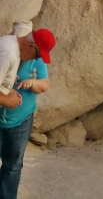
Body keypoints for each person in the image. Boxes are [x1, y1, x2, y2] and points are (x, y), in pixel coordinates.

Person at [0, 27, 56, 199]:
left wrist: (32, 83)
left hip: (20, 121)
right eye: (38, 55)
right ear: (32, 45)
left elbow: (44, 84)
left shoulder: (32, 59)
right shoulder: (8, 54)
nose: (38, 59)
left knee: (13, 166)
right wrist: (7, 98)